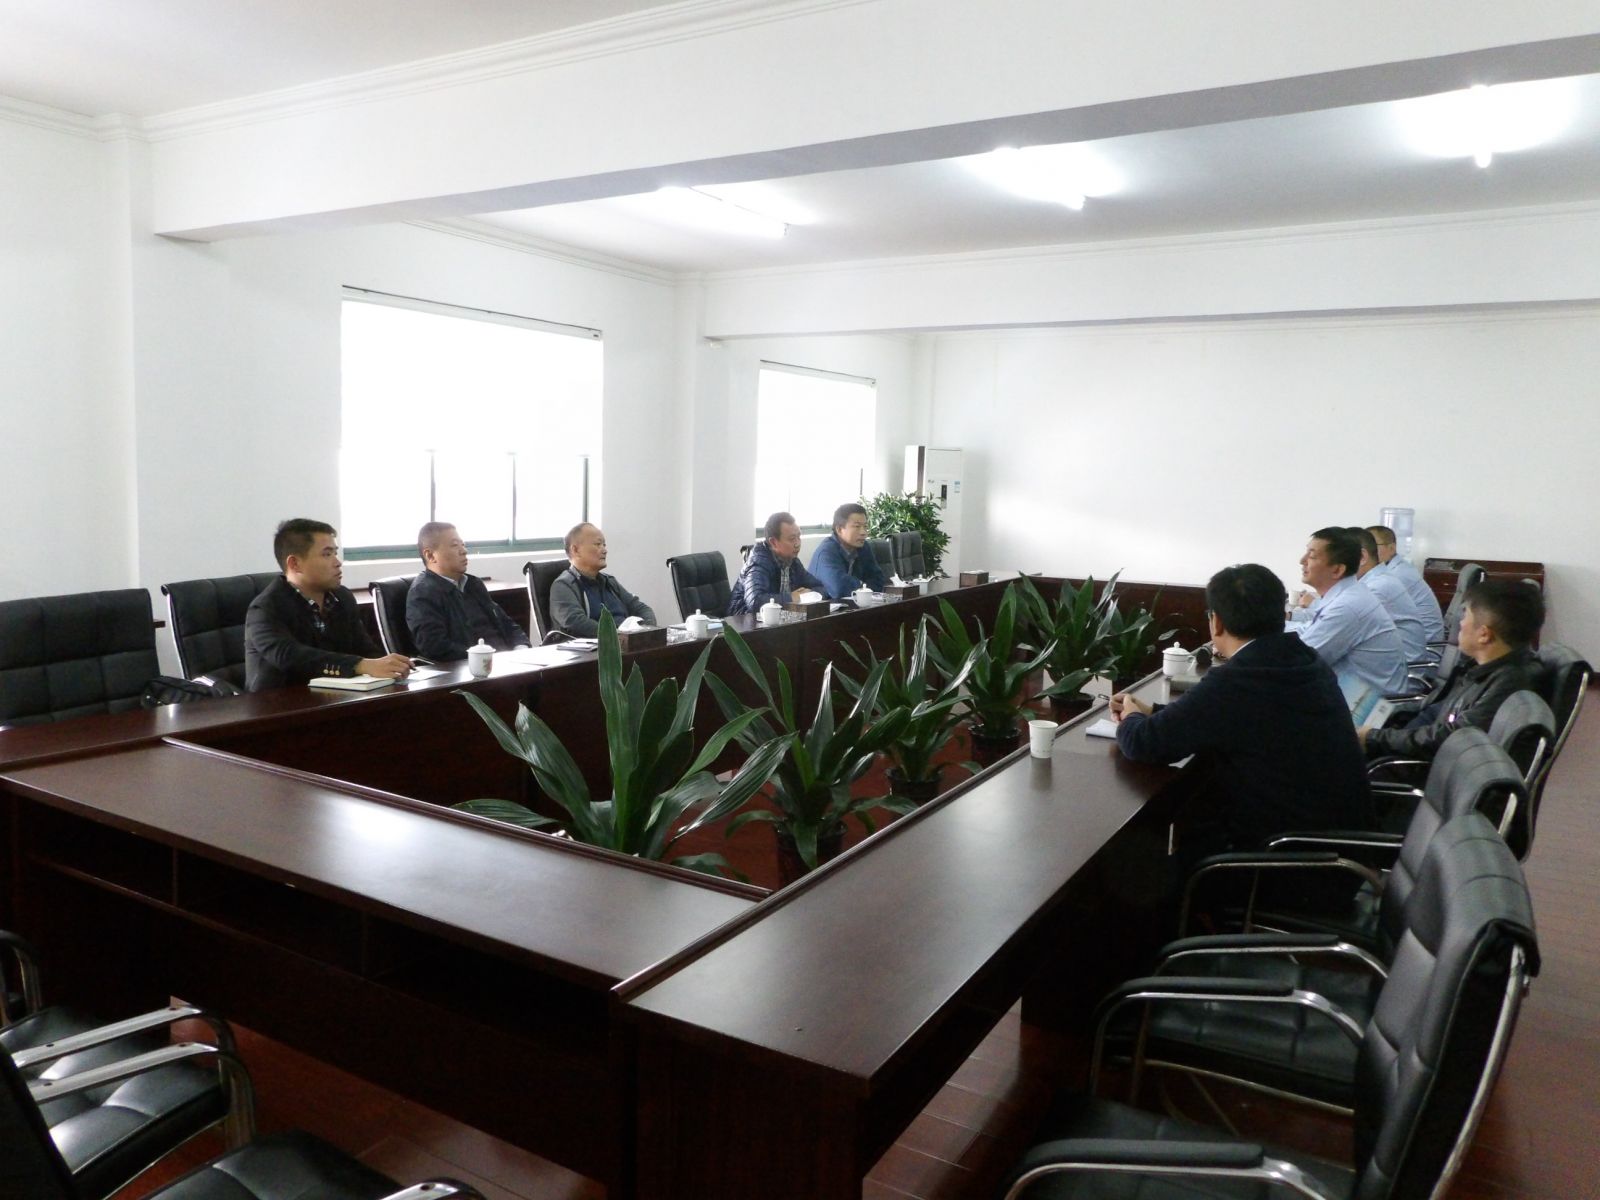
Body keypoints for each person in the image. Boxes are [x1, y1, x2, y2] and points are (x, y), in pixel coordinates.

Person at [1112, 563, 1372, 857]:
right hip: (1341, 845)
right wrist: (1155, 712)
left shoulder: (1240, 679)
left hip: (1283, 857)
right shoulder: (1304, 659)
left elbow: (1143, 743)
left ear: (1216, 622)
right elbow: (1241, 717)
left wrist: (1131, 715)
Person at [1362, 578, 1546, 759]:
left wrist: (1374, 738)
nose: (1460, 623)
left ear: (1484, 634)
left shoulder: (1509, 682)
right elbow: (1434, 708)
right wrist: (1383, 720)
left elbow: (1453, 738)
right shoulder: (1482, 668)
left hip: (1409, 761)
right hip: (1404, 740)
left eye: (1466, 615)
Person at [244, 518, 412, 691]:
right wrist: (361, 665)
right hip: (280, 701)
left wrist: (390, 666)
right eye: (327, 554)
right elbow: (288, 656)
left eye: (335, 553)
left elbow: (365, 649)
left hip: (339, 696)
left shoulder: (342, 597)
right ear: (295, 564)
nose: (337, 562)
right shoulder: (265, 608)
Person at [1288, 526, 1407, 695]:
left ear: (1337, 570)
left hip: (1365, 706)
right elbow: (1306, 631)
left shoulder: (1348, 606)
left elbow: (1298, 662)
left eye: (1312, 556)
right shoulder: (1347, 595)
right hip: (1350, 696)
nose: (1302, 560)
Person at [405, 522, 530, 660]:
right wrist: (485, 657)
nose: (464, 551)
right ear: (430, 556)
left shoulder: (473, 584)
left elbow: (507, 624)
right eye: (454, 545)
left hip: (507, 662)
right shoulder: (423, 593)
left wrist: (521, 648)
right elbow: (434, 646)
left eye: (463, 545)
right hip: (473, 667)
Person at [548, 523, 657, 637]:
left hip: (627, 641)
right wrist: (619, 636)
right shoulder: (564, 585)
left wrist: (647, 630)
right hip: (600, 645)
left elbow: (641, 608)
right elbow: (575, 622)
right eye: (598, 544)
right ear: (575, 550)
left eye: (604, 545)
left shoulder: (609, 582)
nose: (604, 550)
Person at [1349, 526, 1428, 663]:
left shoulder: (1391, 578)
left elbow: (1346, 626)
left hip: (1412, 660)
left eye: (1375, 545)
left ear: (1392, 548)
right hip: (1406, 654)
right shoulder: (1383, 575)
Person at [727, 511, 826, 615]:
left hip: (777, 620)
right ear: (773, 542)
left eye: (799, 537)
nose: (798, 544)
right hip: (742, 620)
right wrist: (792, 597)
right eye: (792, 539)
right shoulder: (758, 562)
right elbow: (755, 601)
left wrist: (808, 595)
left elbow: (822, 589)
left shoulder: (793, 562)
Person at [1365, 524, 1446, 642]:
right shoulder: (1394, 568)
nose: (1369, 552)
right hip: (1414, 638)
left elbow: (1369, 614)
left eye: (1374, 546)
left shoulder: (1397, 574)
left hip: (1425, 643)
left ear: (1392, 548)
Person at [808, 502, 887, 599]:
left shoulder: (864, 547)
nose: (863, 532)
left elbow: (879, 581)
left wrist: (860, 587)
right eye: (857, 526)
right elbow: (839, 588)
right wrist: (863, 586)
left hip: (856, 604)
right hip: (827, 607)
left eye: (865, 527)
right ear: (839, 529)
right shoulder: (826, 552)